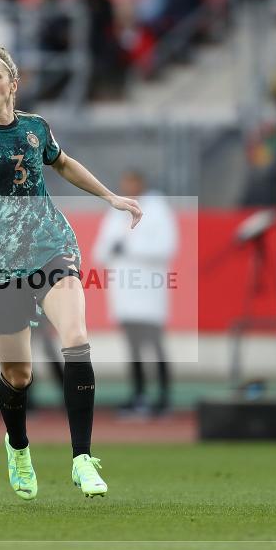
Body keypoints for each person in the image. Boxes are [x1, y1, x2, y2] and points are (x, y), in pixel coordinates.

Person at [0, 46, 142, 499]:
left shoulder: (35, 128)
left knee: (76, 337)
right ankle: (18, 447)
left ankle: (82, 458)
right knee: (19, 376)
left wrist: (111, 197)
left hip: (51, 246)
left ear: (12, 83)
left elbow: (62, 162)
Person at [93, 169, 177, 416]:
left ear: (141, 183)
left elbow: (166, 245)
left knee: (155, 344)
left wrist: (129, 246)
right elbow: (100, 251)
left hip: (149, 289)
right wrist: (116, 247)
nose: (128, 187)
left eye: (132, 182)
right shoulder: (115, 211)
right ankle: (139, 395)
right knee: (132, 347)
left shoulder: (158, 208)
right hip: (124, 292)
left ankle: (164, 398)